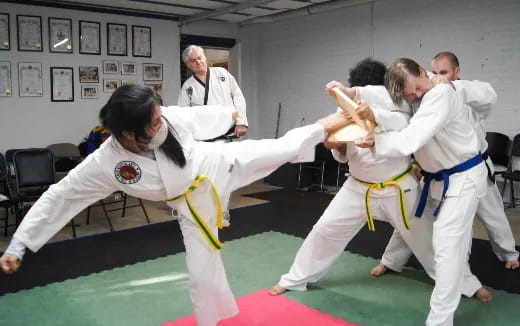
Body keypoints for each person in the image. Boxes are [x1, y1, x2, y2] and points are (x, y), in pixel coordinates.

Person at [0, 85, 351, 326]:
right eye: (153, 123)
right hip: (192, 207)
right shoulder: (106, 164)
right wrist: (19, 244)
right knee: (201, 273)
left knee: (285, 148)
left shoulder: (168, 119)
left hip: (219, 163)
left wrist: (230, 116)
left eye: (159, 116)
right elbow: (61, 195)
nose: (161, 122)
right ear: (127, 135)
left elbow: (199, 117)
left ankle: (335, 121)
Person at [268, 58, 490, 305]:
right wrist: (337, 144)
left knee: (430, 244)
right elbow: (342, 155)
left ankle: (468, 284)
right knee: (324, 232)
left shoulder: (402, 106)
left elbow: (404, 126)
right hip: (357, 188)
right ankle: (294, 279)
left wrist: (372, 114)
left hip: (399, 189)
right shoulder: (349, 110)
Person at [354, 58, 489, 325]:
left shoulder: (440, 92)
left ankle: (440, 320)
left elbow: (411, 139)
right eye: (411, 94)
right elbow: (391, 106)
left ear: (421, 71)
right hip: (437, 180)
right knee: (432, 235)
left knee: (447, 246)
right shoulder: (418, 97)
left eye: (417, 87)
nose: (417, 95)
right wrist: (352, 95)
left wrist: (377, 142)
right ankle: (467, 285)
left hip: (463, 178)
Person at [370, 52, 519, 277]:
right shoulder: (420, 98)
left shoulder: (464, 94)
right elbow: (412, 131)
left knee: (492, 215)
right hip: (436, 173)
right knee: (414, 215)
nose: (437, 78)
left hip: (472, 167)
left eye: (444, 73)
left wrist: (457, 87)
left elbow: (488, 94)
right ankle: (391, 260)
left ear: (456, 72)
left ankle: (508, 254)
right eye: (435, 73)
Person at [178, 45, 248, 226]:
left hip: (226, 135)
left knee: (226, 175)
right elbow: (183, 116)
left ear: (205, 57)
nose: (198, 62)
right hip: (203, 140)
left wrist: (241, 121)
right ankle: (200, 211)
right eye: (193, 61)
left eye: (200, 57)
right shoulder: (188, 87)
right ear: (189, 65)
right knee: (203, 177)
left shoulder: (222, 74)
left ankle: (223, 213)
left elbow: (238, 96)